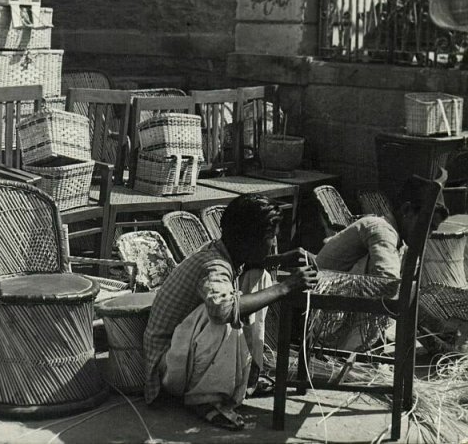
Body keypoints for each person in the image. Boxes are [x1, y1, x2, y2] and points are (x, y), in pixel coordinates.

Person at [143, 194, 318, 431]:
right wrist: (286, 286)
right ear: (248, 241)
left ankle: (246, 375)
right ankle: (204, 399)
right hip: (168, 367)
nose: (274, 243)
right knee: (222, 310)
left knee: (258, 276)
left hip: (182, 354)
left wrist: (278, 260)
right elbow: (222, 310)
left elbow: (250, 263)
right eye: (270, 238)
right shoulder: (213, 265)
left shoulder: (226, 251)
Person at [307, 176, 449, 351]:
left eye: (433, 229)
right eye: (427, 226)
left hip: (334, 313)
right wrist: (425, 321)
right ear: (407, 210)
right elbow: (390, 286)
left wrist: (433, 328)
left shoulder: (401, 243)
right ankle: (341, 351)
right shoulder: (380, 228)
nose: (428, 235)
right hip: (317, 319)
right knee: (388, 288)